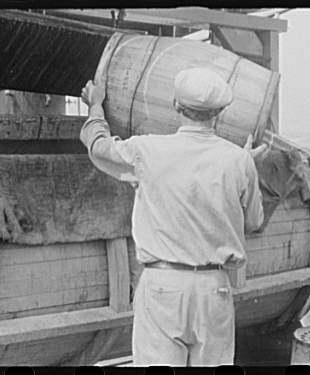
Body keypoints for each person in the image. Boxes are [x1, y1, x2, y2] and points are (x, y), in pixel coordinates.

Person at [80, 67, 266, 366]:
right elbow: (254, 222)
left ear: (177, 106)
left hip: (162, 286)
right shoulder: (239, 160)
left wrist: (96, 106)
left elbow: (99, 147)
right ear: (219, 113)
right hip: (213, 288)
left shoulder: (148, 150)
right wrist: (246, 166)